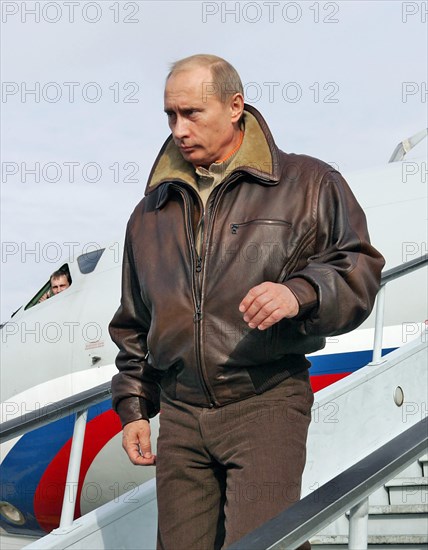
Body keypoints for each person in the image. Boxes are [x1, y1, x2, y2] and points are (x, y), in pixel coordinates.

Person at [109, 54, 384, 550]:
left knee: (262, 546)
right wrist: (133, 408)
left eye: (191, 113)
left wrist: (300, 292)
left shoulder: (309, 184)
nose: (178, 128)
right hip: (180, 415)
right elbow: (134, 322)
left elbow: (359, 271)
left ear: (235, 106)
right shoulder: (147, 214)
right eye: (170, 115)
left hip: (266, 402)